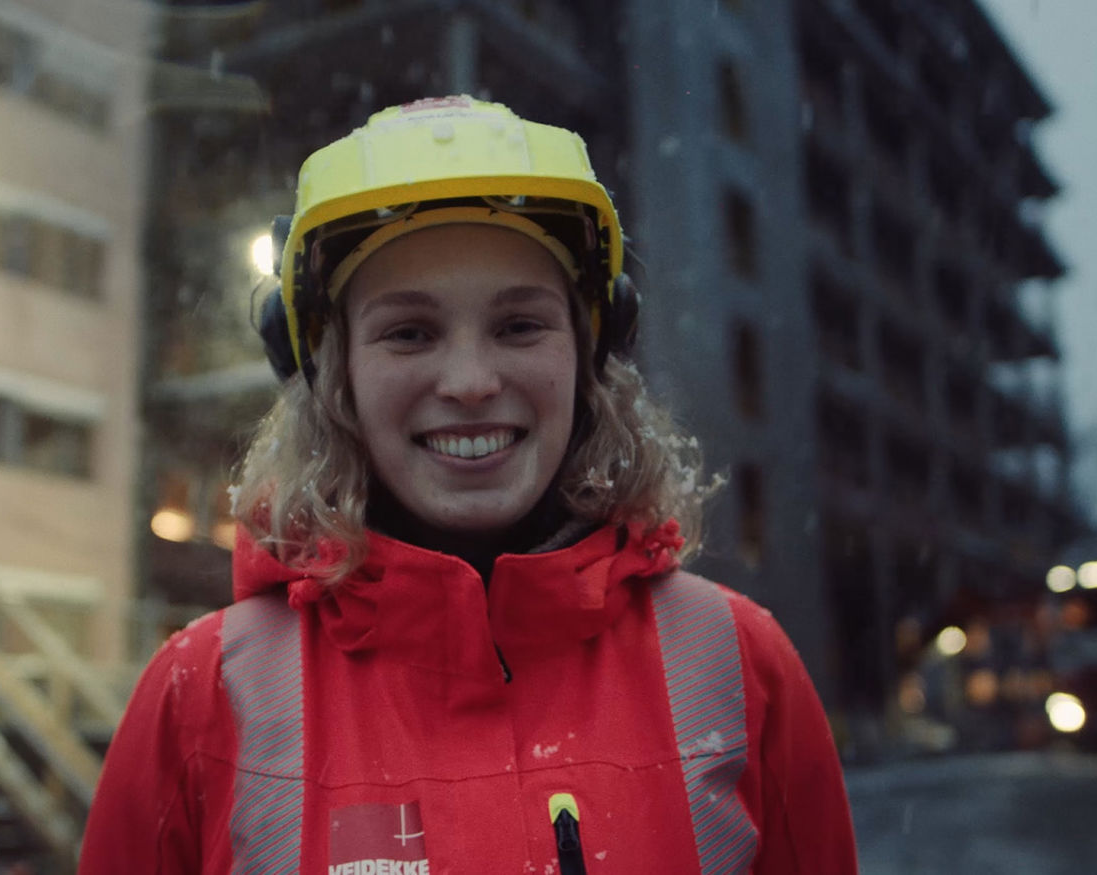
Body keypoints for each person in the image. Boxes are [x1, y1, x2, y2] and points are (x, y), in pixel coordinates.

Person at [81, 96, 857, 874]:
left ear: (591, 350)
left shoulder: (739, 668)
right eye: (409, 332)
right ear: (331, 372)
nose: (471, 381)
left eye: (520, 325)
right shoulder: (200, 697)